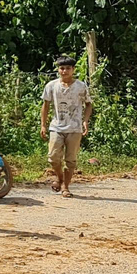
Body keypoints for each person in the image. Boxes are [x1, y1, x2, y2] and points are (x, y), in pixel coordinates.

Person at [40, 54, 93, 196]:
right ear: (58, 70)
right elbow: (45, 106)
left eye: (68, 68)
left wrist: (85, 121)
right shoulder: (51, 86)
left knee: (70, 160)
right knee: (53, 157)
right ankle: (60, 177)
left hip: (75, 127)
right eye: (62, 68)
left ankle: (66, 187)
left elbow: (88, 105)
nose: (65, 71)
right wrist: (43, 125)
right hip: (56, 126)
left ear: (73, 69)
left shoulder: (81, 86)